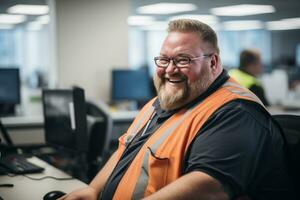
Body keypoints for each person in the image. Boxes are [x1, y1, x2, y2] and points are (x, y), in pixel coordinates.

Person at [60, 19, 294, 200]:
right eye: (164, 59)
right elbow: (125, 149)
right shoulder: (159, 103)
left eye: (183, 60)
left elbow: (207, 188)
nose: (170, 69)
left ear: (213, 62)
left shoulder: (236, 112)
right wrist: (93, 189)